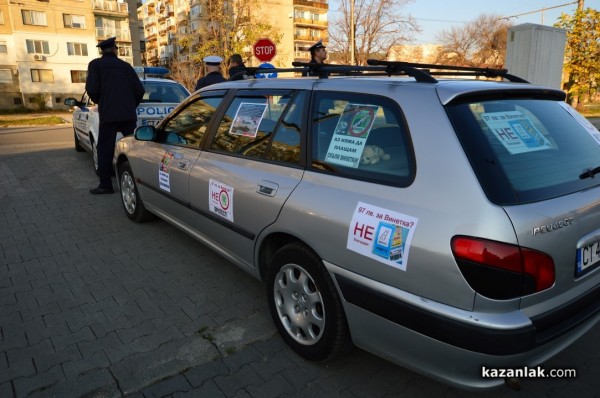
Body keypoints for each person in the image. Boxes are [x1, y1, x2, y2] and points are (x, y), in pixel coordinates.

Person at [85, 37, 144, 195]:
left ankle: (106, 185)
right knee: (134, 148)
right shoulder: (126, 66)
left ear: (101, 51)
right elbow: (140, 91)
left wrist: (101, 102)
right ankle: (142, 182)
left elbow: (92, 89)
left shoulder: (96, 65)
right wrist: (131, 106)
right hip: (127, 115)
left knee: (105, 149)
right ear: (115, 49)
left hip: (109, 115)